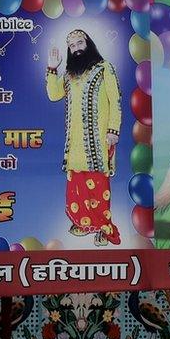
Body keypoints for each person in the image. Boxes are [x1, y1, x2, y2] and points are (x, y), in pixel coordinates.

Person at [46, 29, 122, 247]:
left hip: (98, 141)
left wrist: (113, 131)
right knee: (77, 184)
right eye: (72, 46)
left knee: (98, 185)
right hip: (75, 144)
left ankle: (102, 228)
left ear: (89, 43)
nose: (76, 48)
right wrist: (52, 68)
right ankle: (83, 222)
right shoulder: (69, 75)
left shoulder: (104, 68)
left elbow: (115, 101)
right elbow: (53, 95)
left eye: (80, 43)